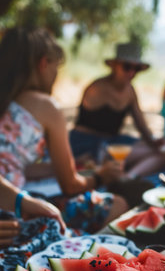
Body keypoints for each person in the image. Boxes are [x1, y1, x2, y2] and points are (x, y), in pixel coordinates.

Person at [0, 27, 129, 233]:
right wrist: (101, 176)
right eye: (56, 66)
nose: (56, 74)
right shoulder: (47, 106)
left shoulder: (6, 99)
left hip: (10, 196)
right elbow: (70, 186)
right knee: (118, 204)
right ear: (44, 63)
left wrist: (55, 167)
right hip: (12, 211)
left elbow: (12, 165)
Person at [69, 42, 165, 178]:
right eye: (127, 67)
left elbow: (141, 125)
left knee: (160, 152)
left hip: (113, 141)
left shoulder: (130, 91)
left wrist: (153, 141)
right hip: (86, 143)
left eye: (136, 69)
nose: (132, 73)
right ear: (115, 66)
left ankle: (129, 177)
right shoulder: (98, 88)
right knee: (150, 153)